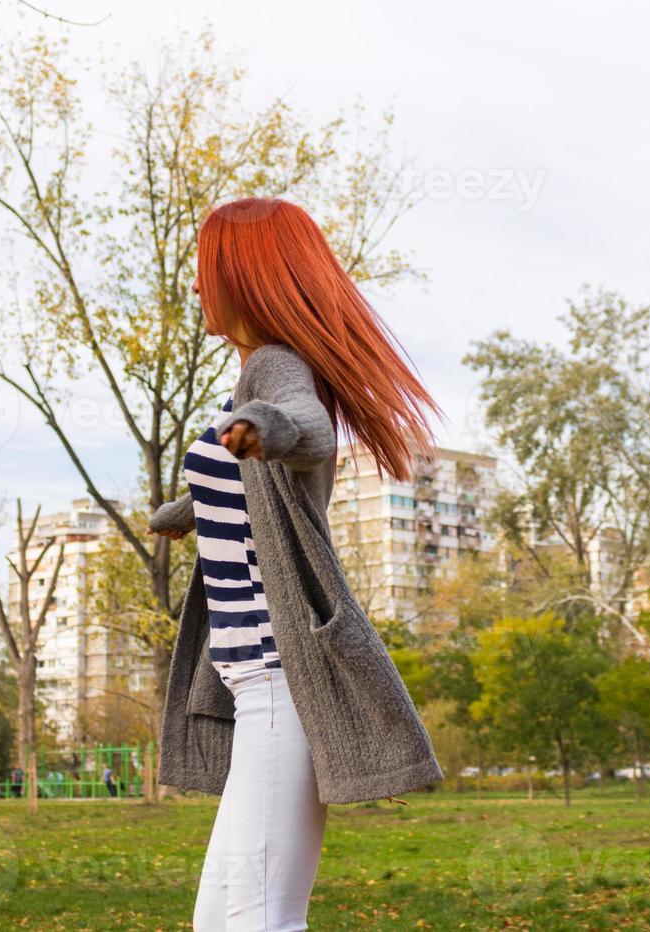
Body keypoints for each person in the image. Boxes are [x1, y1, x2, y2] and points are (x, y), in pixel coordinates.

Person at [148, 197, 444, 932]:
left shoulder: (275, 369)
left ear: (244, 275)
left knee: (258, 919)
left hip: (280, 680)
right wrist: (187, 510)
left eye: (206, 269)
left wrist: (266, 426)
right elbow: (251, 494)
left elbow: (305, 426)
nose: (196, 285)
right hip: (253, 684)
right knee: (222, 920)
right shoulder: (248, 378)